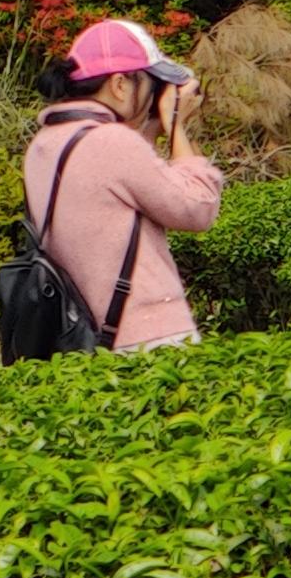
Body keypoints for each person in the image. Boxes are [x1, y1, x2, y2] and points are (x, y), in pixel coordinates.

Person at [22, 17, 224, 351]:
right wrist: (176, 128)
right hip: (144, 337)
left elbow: (115, 182)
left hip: (83, 334)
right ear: (120, 84)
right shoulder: (112, 144)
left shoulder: (45, 144)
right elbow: (198, 208)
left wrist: (152, 130)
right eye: (149, 83)